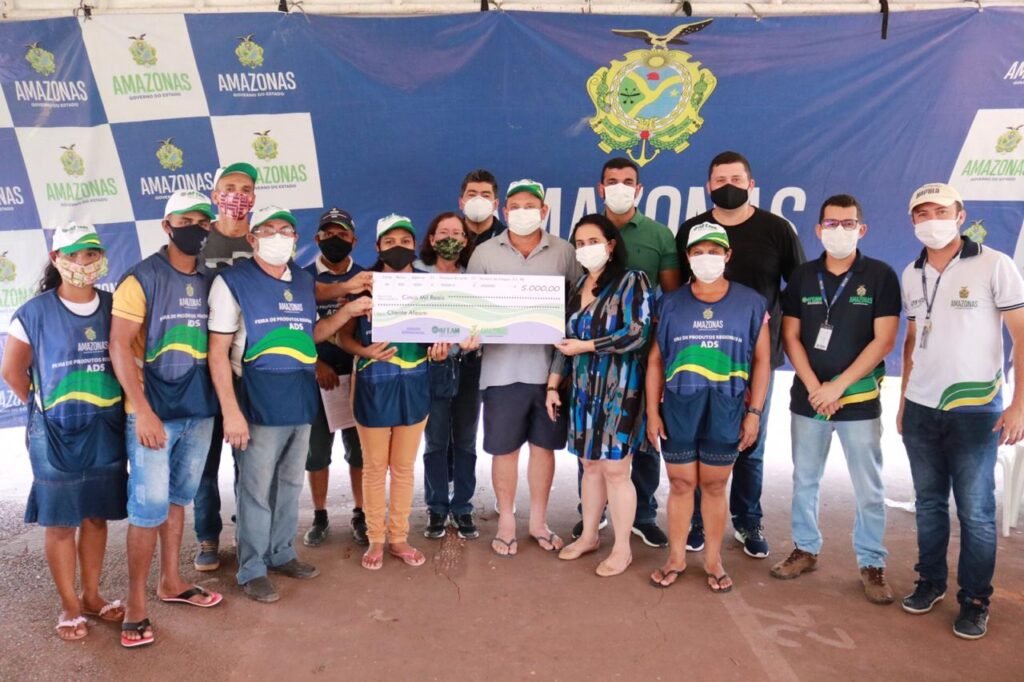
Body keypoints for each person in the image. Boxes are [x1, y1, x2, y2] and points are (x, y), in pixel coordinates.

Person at [208, 205, 370, 602]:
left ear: (296, 239)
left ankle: (281, 553)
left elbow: (309, 334)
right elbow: (217, 353)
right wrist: (231, 412)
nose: (278, 237)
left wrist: (348, 310)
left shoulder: (301, 280)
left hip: (299, 394)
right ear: (252, 238)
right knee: (255, 489)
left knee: (291, 483)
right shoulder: (232, 281)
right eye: (268, 230)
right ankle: (252, 567)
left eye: (286, 230)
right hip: (256, 397)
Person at [898, 183, 1024, 640]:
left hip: (975, 409)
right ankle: (930, 582)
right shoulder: (911, 273)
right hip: (921, 407)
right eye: (922, 213)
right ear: (912, 221)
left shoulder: (995, 264)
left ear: (960, 215)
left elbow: (1021, 335)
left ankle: (974, 601)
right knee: (929, 504)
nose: (931, 219)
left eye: (940, 211)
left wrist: (1019, 405)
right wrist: (903, 401)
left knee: (975, 511)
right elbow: (913, 339)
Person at [1, 223, 128, 641]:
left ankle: (92, 596)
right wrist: (46, 409)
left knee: (95, 516)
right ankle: (70, 606)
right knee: (60, 522)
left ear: (101, 258)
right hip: (55, 433)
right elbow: (12, 371)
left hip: (105, 427)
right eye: (72, 255)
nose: (82, 263)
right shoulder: (34, 313)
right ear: (56, 259)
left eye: (90, 254)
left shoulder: (114, 306)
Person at [675, 151, 805, 559]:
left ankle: (748, 520)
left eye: (736, 178)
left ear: (751, 184)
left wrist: (783, 336)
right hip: (699, 355)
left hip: (755, 358)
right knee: (699, 442)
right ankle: (697, 521)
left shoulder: (776, 229)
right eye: (720, 179)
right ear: (708, 186)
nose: (727, 185)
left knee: (750, 441)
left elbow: (797, 289)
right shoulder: (692, 229)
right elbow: (678, 291)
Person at [773, 194, 900, 605]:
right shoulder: (803, 276)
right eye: (831, 223)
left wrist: (838, 387)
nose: (839, 230)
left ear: (862, 229)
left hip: (858, 400)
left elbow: (884, 341)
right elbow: (790, 336)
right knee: (805, 479)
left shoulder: (880, 276)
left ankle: (872, 562)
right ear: (818, 229)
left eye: (848, 224)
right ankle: (805, 548)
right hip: (809, 398)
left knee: (869, 487)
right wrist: (816, 387)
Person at [110, 191, 224, 648]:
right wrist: (142, 411)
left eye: (202, 220)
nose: (195, 227)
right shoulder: (142, 278)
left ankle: (171, 582)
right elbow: (119, 345)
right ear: (166, 225)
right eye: (185, 219)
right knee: (147, 511)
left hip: (199, 411)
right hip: (153, 415)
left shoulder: (211, 279)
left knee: (178, 500)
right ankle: (136, 605)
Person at [647, 223, 770, 592]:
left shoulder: (751, 303)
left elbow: (762, 361)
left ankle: (714, 561)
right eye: (698, 252)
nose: (706, 258)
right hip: (679, 405)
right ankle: (676, 558)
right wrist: (652, 412)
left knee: (715, 485)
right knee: (681, 483)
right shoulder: (670, 303)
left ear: (728, 255)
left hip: (726, 405)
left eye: (714, 251)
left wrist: (754, 413)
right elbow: (655, 360)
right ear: (687, 257)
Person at [568, 157, 682, 547]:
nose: (620, 187)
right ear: (600, 188)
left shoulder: (658, 235)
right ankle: (591, 518)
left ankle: (643, 515)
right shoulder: (585, 240)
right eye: (612, 181)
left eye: (628, 181)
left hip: (637, 363)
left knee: (639, 445)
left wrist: (654, 342)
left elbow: (671, 296)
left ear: (639, 188)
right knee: (591, 453)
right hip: (588, 370)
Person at [466, 179, 582, 556]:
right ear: (504, 211)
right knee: (504, 451)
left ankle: (538, 522)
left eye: (530, 206)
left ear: (544, 211)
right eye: (514, 206)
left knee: (544, 449)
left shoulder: (565, 252)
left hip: (551, 373)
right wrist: (469, 335)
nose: (522, 212)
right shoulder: (484, 253)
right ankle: (505, 522)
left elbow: (579, 307)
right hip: (500, 370)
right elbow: (470, 311)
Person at [337, 214, 451, 569]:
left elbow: (442, 333)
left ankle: (399, 538)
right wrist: (365, 351)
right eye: (389, 242)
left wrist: (441, 349)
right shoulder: (364, 286)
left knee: (403, 467)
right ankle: (375, 539)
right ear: (377, 247)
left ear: (415, 245)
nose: (397, 247)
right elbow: (343, 337)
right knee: (374, 467)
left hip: (415, 385)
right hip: (373, 386)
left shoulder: (430, 287)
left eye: (404, 241)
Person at [546, 214, 652, 576]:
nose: (586, 248)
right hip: (581, 388)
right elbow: (564, 342)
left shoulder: (632, 280)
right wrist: (552, 385)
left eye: (593, 241)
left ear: (611, 245)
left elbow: (637, 333)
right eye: (580, 243)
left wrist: (588, 346)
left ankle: (622, 548)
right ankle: (589, 535)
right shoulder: (577, 285)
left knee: (616, 469)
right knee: (589, 464)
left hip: (620, 386)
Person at [192, 161, 259, 571]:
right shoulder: (197, 242)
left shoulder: (262, 242)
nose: (238, 195)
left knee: (247, 457)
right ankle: (207, 536)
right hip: (201, 369)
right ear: (215, 196)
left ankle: (247, 532)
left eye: (246, 188)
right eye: (230, 187)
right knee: (204, 460)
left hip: (246, 369)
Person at [303, 208, 370, 547]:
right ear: (316, 239)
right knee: (316, 454)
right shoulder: (302, 279)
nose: (334, 240)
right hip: (315, 380)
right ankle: (319, 515)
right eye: (328, 234)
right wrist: (316, 364)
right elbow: (292, 329)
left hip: (358, 378)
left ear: (354, 240)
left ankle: (361, 513)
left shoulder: (366, 278)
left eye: (342, 234)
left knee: (359, 453)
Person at [414, 212, 482, 540]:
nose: (450, 238)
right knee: (436, 440)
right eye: (443, 232)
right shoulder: (415, 275)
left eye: (457, 233)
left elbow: (488, 319)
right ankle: (437, 506)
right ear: (431, 239)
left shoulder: (476, 277)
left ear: (466, 240)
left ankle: (463, 506)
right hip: (433, 365)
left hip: (468, 364)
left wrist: (477, 341)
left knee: (466, 440)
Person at [459, 169, 507, 245]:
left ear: (495, 204)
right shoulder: (450, 237)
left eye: (485, 195)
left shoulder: (509, 239)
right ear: (461, 203)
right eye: (472, 195)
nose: (478, 200)